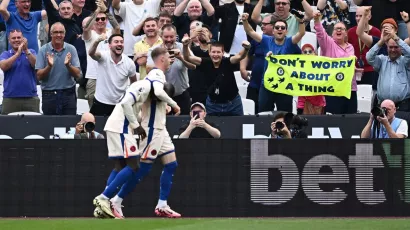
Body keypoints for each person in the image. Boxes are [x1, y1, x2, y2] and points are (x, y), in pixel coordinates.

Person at [93, 47, 182, 219]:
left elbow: (153, 98)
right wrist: (175, 104)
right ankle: (113, 199)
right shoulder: (157, 74)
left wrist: (165, 107)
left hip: (160, 128)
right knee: (139, 167)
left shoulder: (149, 79)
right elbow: (156, 92)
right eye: (169, 58)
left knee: (171, 164)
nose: (171, 61)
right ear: (162, 59)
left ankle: (162, 204)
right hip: (152, 129)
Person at [242, 12, 304, 113]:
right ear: (273, 31)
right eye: (277, 27)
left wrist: (301, 21)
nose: (280, 29)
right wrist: (244, 21)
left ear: (286, 31)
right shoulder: (266, 40)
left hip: (284, 85)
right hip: (267, 84)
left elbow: (301, 33)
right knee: (264, 115)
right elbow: (250, 31)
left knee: (285, 116)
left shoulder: (290, 42)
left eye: (283, 28)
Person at [183, 40, 250, 116]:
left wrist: (246, 48)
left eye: (218, 52)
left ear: (223, 53)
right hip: (213, 105)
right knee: (211, 126)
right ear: (209, 53)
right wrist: (185, 46)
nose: (216, 54)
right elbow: (187, 57)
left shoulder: (228, 61)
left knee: (239, 126)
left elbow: (240, 56)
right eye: (213, 52)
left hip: (233, 103)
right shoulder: (205, 62)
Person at [35, 22, 82, 115]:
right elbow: (39, 76)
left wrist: (68, 65)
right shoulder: (43, 50)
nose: (59, 35)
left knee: (69, 125)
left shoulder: (71, 49)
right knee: (49, 126)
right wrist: (49, 66)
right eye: (56, 32)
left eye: (61, 32)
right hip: (49, 94)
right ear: (51, 34)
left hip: (68, 94)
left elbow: (78, 74)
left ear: (64, 34)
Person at [88, 33, 137, 116]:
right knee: (95, 128)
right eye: (116, 42)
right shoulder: (103, 56)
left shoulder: (129, 63)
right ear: (109, 45)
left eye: (121, 42)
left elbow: (134, 84)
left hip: (119, 105)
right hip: (100, 102)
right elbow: (91, 53)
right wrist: (97, 40)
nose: (119, 44)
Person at [366, 29, 410, 112]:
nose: (393, 50)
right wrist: (381, 41)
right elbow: (369, 57)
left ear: (400, 48)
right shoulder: (382, 60)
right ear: (387, 48)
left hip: (403, 106)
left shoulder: (406, 61)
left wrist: (396, 38)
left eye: (396, 47)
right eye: (390, 47)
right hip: (383, 106)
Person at [0, 31, 39, 114]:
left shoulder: (31, 52)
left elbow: (36, 65)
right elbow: (3, 66)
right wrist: (17, 54)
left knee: (34, 126)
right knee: (8, 126)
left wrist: (26, 50)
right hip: (10, 98)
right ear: (9, 40)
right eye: (13, 38)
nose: (16, 40)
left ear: (23, 39)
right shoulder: (5, 54)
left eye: (19, 37)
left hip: (31, 98)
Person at [297, 44, 326, 115]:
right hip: (302, 105)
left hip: (319, 104)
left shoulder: (322, 67)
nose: (307, 53)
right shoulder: (297, 68)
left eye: (310, 51)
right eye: (305, 52)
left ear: (315, 54)